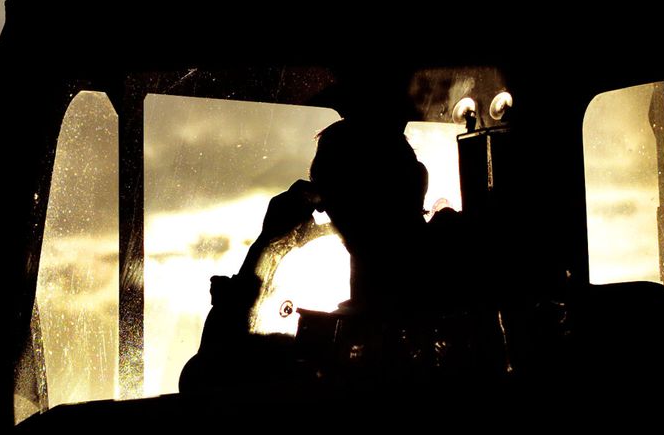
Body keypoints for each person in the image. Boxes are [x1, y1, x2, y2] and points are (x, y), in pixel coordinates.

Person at [179, 118, 480, 394]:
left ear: (322, 202)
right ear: (419, 181)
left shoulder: (333, 347)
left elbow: (204, 377)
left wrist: (268, 246)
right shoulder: (471, 267)